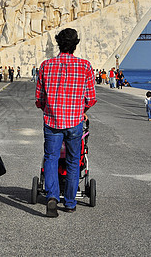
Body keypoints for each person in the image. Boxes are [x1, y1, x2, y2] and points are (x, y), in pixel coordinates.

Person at [35, 28, 97, 217]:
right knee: (72, 161)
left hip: (52, 121)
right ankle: (70, 202)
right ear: (75, 44)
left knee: (51, 159)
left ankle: (52, 196)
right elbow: (91, 98)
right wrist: (82, 110)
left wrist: (48, 106)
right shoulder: (85, 66)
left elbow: (39, 99)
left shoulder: (46, 66)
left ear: (58, 43)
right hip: (74, 122)